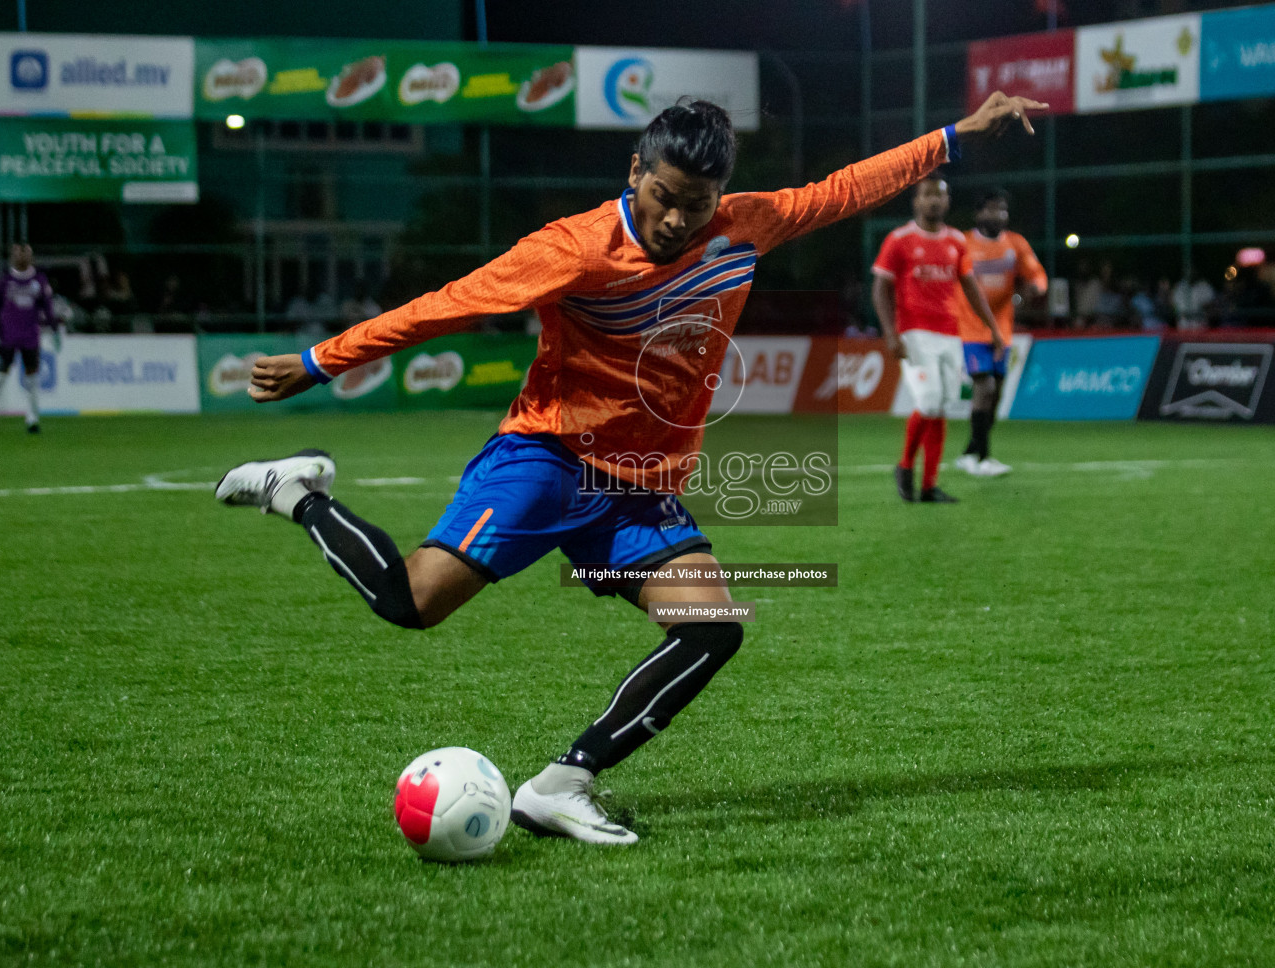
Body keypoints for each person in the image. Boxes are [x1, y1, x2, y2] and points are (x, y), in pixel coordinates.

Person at [214, 92, 1046, 846]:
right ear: (635, 172)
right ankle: (298, 493)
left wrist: (951, 138)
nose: (679, 219)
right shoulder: (571, 249)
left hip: (640, 489)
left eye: (697, 204)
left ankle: (562, 783)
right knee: (410, 603)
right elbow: (450, 303)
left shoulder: (745, 225)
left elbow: (845, 189)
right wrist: (321, 360)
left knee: (714, 628)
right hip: (545, 459)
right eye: (664, 197)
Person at [870, 175, 1004, 503]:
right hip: (914, 334)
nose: (933, 201)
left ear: (947, 201)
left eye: (940, 195)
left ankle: (929, 485)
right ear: (916, 201)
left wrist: (994, 329)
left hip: (949, 334)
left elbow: (970, 287)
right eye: (927, 195)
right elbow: (880, 289)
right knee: (929, 402)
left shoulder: (957, 241)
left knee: (941, 406)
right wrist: (889, 332)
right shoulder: (899, 239)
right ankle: (904, 466)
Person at [954, 189, 1047, 478]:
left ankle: (971, 451)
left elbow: (1037, 274)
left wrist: (1037, 289)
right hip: (970, 327)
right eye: (992, 209)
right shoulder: (963, 244)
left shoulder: (1015, 244)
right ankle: (983, 459)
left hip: (1002, 331)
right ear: (978, 213)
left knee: (997, 394)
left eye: (1003, 210)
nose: (998, 216)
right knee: (985, 389)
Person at [0, 242, 59, 435]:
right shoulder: (5, 281)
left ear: (31, 257)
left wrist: (54, 328)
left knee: (32, 378)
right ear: (12, 257)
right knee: (1, 375)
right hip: (8, 336)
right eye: (18, 253)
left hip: (30, 336)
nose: (21, 257)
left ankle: (32, 419)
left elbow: (47, 307)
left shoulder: (39, 281)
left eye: (25, 253)